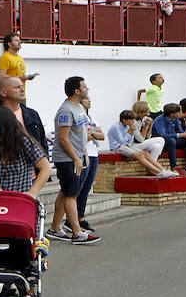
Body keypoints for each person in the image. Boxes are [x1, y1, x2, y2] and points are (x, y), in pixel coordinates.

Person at [44, 76, 101, 245]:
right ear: (77, 90)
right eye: (84, 87)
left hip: (78, 157)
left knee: (66, 192)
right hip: (67, 159)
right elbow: (63, 138)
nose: (87, 89)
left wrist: (84, 154)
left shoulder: (79, 108)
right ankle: (77, 233)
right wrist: (76, 158)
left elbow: (81, 135)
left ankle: (55, 228)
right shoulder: (66, 110)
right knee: (71, 194)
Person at [0, 75, 50, 158]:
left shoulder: (32, 115)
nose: (22, 89)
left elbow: (43, 144)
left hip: (35, 168)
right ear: (3, 92)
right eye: (17, 87)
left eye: (22, 86)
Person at [0, 106, 50, 195]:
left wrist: (32, 192)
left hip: (22, 198)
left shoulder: (24, 142)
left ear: (3, 127)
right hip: (0, 199)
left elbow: (46, 168)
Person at [106, 109, 174, 178]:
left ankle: (164, 170)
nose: (133, 121)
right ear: (125, 120)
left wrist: (131, 132)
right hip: (117, 147)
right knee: (139, 155)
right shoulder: (116, 127)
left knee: (146, 154)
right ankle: (159, 172)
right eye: (131, 120)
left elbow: (129, 142)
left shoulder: (128, 127)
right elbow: (122, 141)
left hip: (127, 146)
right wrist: (130, 131)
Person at [75, 94, 108, 231]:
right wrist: (93, 134)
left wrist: (92, 134)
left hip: (94, 153)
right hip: (82, 154)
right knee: (78, 187)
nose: (89, 101)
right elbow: (81, 135)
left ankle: (80, 218)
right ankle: (72, 220)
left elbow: (101, 136)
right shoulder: (77, 115)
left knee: (87, 187)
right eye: (86, 99)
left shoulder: (92, 118)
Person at [150, 103, 186, 171]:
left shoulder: (175, 119)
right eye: (179, 112)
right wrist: (180, 135)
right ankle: (174, 167)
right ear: (171, 114)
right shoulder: (160, 120)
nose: (181, 113)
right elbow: (163, 135)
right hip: (161, 143)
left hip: (172, 141)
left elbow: (180, 131)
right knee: (171, 141)